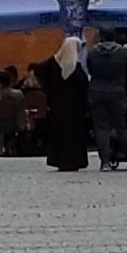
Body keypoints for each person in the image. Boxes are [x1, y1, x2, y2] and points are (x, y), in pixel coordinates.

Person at [87, 30, 127, 170]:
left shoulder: (92, 52)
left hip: (97, 92)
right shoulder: (123, 53)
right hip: (117, 92)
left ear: (101, 37)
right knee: (122, 127)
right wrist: (124, 89)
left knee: (101, 128)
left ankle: (105, 162)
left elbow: (90, 70)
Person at [42, 36, 93, 174]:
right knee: (73, 136)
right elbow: (83, 88)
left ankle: (59, 160)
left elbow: (40, 74)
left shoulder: (52, 64)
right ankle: (73, 161)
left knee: (60, 134)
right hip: (75, 110)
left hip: (57, 107)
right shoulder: (76, 68)